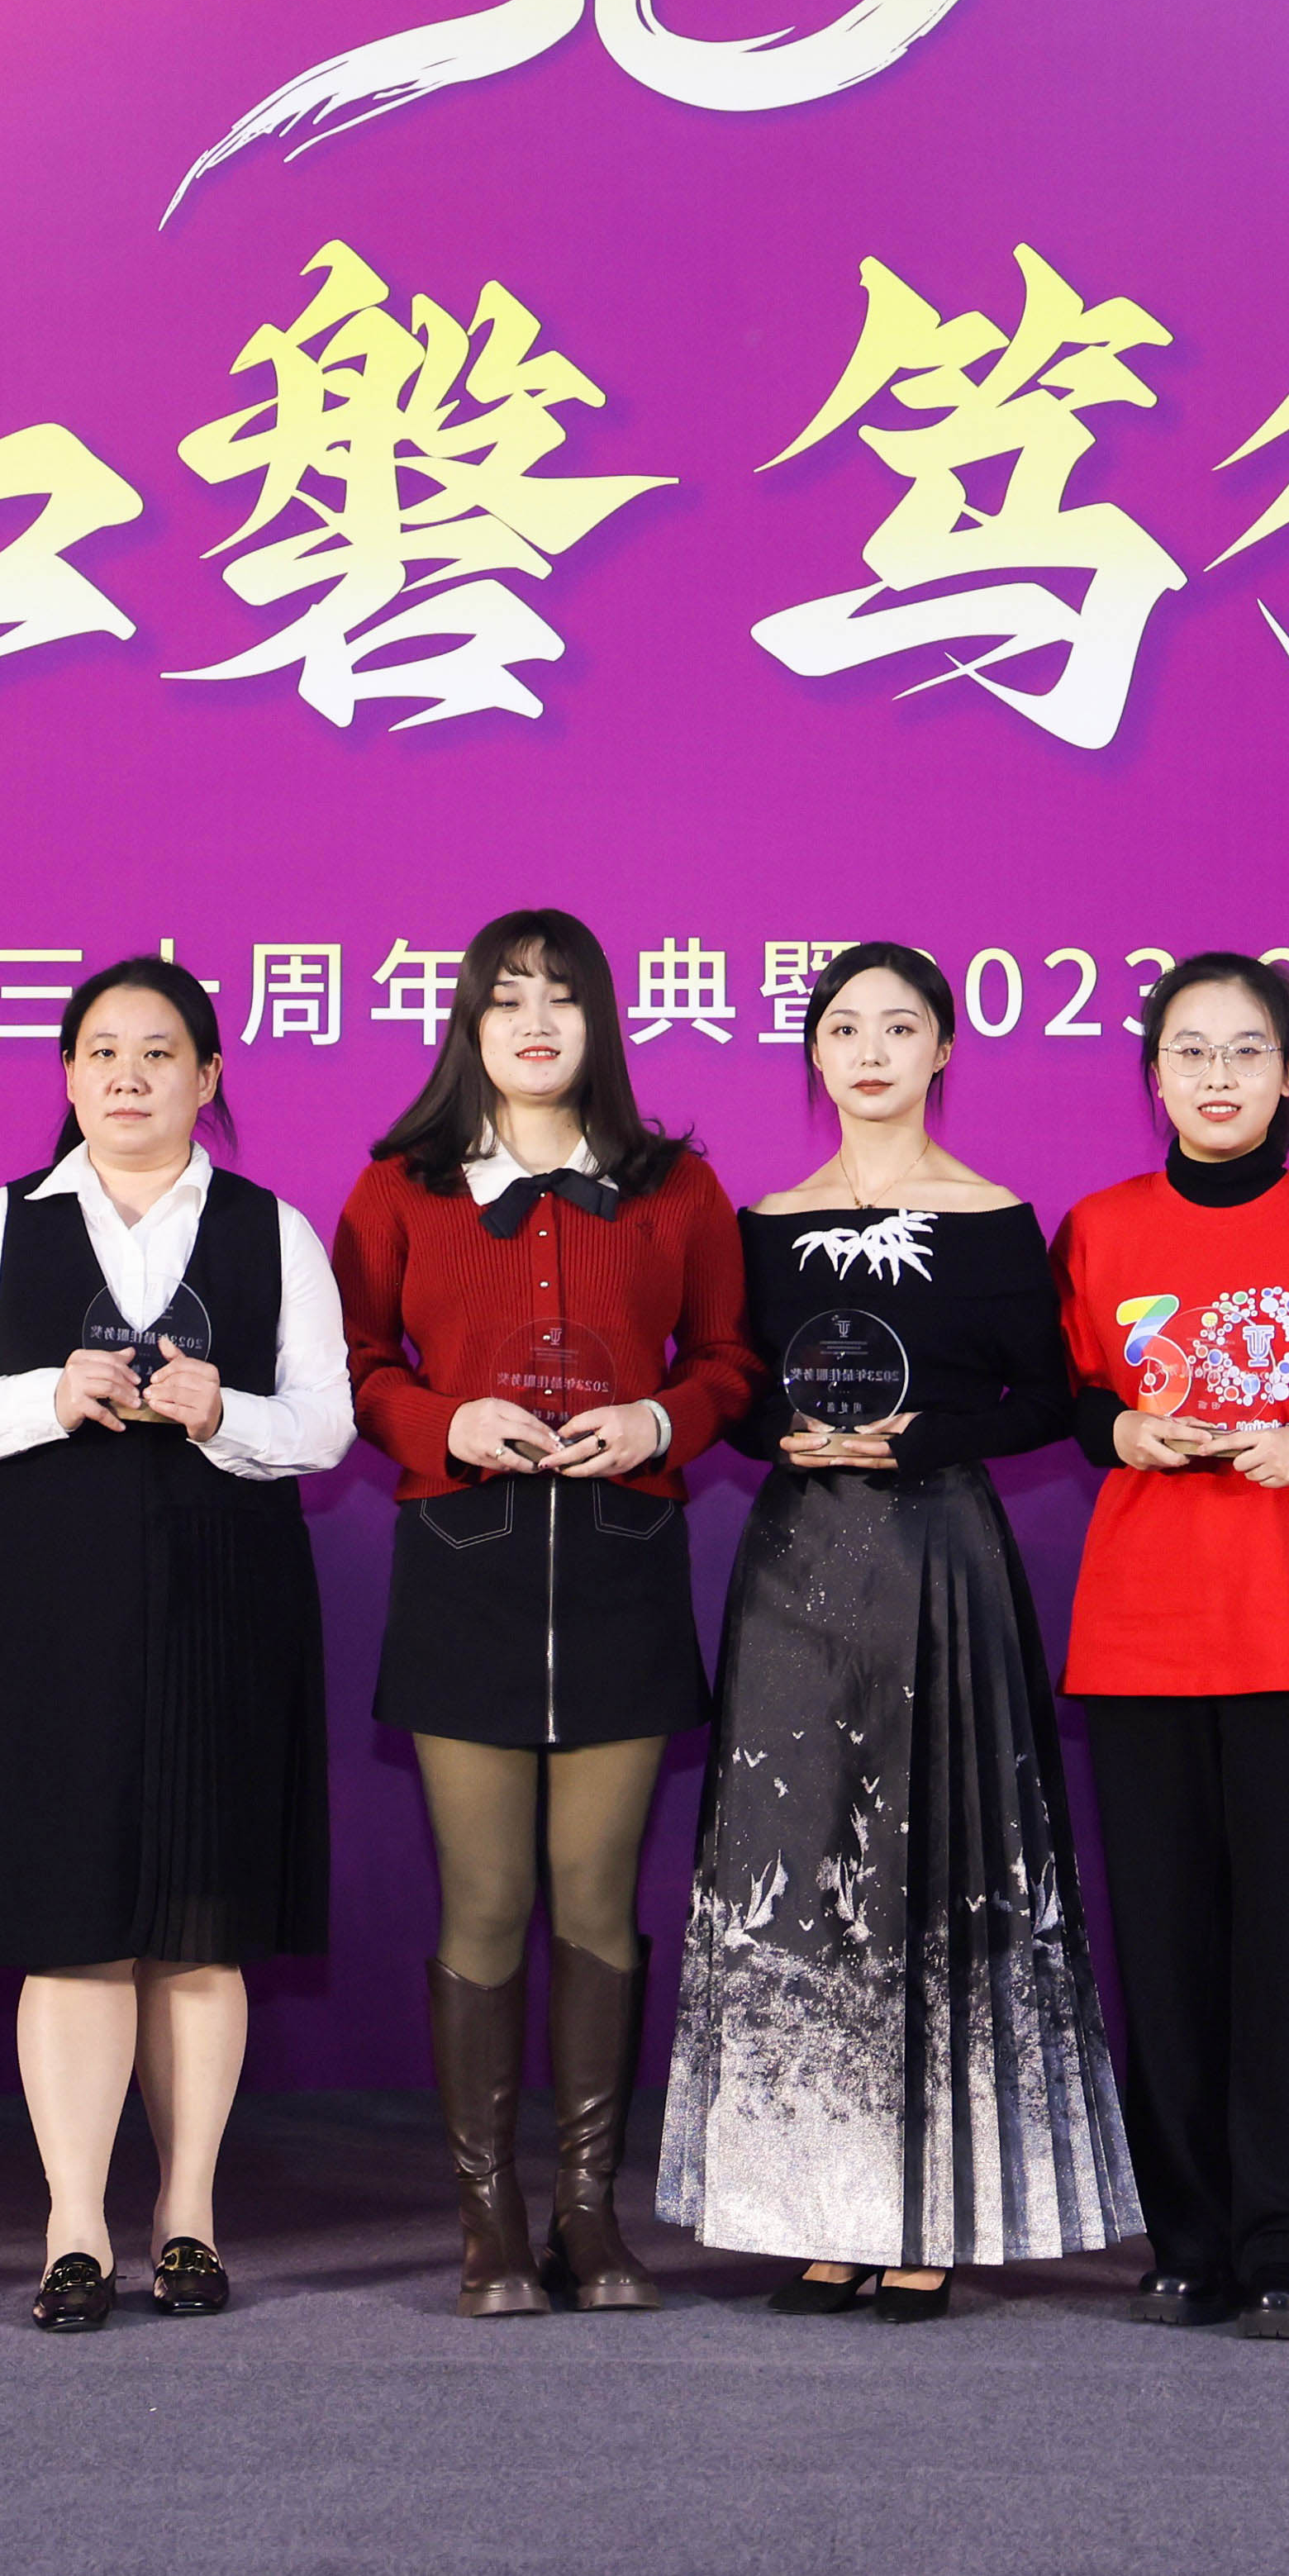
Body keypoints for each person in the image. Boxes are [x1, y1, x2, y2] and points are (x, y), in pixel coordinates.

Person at [661, 941, 1134, 2312]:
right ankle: (821, 2208)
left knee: (936, 1865)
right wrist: (778, 1428)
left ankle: (931, 2212)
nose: (870, 1051)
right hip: (796, 1568)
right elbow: (728, 1386)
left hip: (939, 1561)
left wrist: (924, 1433)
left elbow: (1046, 1401)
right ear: (812, 1054)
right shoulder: (760, 1222)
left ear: (943, 1051)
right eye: (844, 1028)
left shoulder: (996, 1219)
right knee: (800, 1868)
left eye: (900, 1027)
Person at [0, 959, 351, 2332]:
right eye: (100, 1051)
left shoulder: (272, 1228)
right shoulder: (1, 1221)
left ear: (207, 1077)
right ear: (66, 1075)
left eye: (159, 1053)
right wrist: (50, 1396)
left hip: (226, 1599)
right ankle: (74, 2227)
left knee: (200, 1928)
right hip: (54, 1605)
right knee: (72, 1927)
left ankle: (188, 2218)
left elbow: (326, 1424)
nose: (127, 1076)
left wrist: (224, 1415)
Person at [334, 907, 758, 2317]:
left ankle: (588, 2213)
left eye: (561, 997)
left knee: (596, 1898)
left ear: (600, 1023)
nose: (532, 1021)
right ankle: (489, 2223)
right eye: (506, 995)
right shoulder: (399, 1187)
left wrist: (660, 1417)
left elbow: (728, 1358)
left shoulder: (677, 1187)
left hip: (625, 1567)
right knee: (484, 1899)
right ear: (467, 1020)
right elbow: (352, 1362)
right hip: (464, 1566)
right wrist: (444, 1422)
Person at [1054, 952, 1289, 2341]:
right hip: (1139, 1641)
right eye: (1190, 1052)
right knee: (1166, 1955)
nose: (1217, 1077)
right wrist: (1120, 1429)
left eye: (1246, 1051)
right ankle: (1188, 2240)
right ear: (1152, 1077)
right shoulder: (1097, 1228)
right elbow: (1063, 1394)